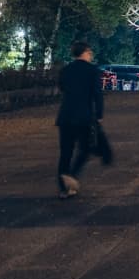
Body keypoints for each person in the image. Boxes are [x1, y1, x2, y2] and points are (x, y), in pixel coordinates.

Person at [54, 40, 105, 198]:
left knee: (65, 153)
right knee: (85, 149)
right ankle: (73, 176)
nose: (91, 55)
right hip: (84, 116)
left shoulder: (66, 70)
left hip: (66, 115)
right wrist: (99, 114)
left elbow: (62, 88)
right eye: (90, 52)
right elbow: (97, 94)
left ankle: (64, 188)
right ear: (85, 52)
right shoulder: (92, 71)